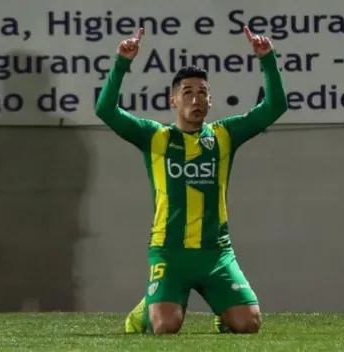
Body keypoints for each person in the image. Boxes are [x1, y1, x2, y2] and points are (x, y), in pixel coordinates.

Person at [95, 26, 288, 335]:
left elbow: (275, 107)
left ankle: (224, 313)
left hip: (216, 252)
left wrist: (267, 59)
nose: (196, 100)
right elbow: (105, 110)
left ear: (210, 101)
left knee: (249, 324)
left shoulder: (224, 135)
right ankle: (145, 309)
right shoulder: (155, 136)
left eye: (202, 93)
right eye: (187, 93)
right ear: (173, 100)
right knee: (166, 326)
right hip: (169, 252)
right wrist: (121, 62)